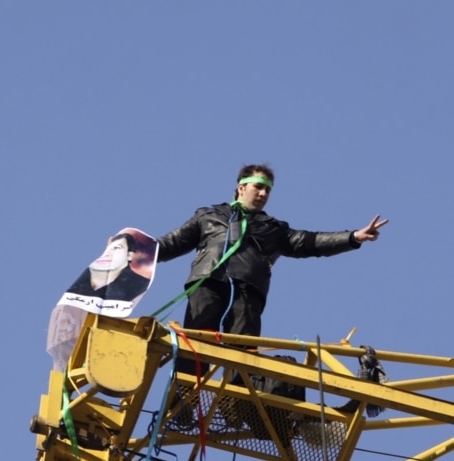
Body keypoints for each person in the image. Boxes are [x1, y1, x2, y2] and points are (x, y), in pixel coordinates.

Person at [156, 164, 388, 393]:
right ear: (241, 188)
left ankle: (238, 401)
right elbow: (170, 243)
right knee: (195, 341)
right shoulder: (208, 216)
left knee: (242, 350)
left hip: (248, 290)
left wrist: (353, 237)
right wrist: (138, 249)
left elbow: (310, 242)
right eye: (258, 187)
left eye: (267, 190)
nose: (263, 194)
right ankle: (183, 398)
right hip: (208, 283)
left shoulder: (274, 229)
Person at [66, 232, 151, 302]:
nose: (108, 253)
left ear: (129, 255)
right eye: (108, 249)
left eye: (117, 248)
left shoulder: (139, 284)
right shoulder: (80, 286)